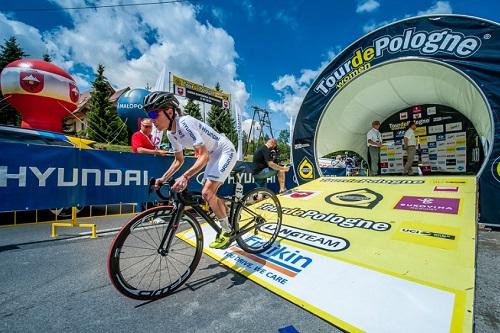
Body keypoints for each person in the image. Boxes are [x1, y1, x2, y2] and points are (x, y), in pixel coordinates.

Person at [144, 91, 237, 249]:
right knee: (209, 193)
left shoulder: (185, 123)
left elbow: (203, 156)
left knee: (207, 192)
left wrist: (185, 177)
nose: (152, 120)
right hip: (212, 154)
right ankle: (225, 214)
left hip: (224, 150)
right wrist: (163, 179)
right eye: (149, 114)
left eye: (154, 113)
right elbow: (178, 160)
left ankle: (227, 231)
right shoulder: (171, 134)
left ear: (170, 111)